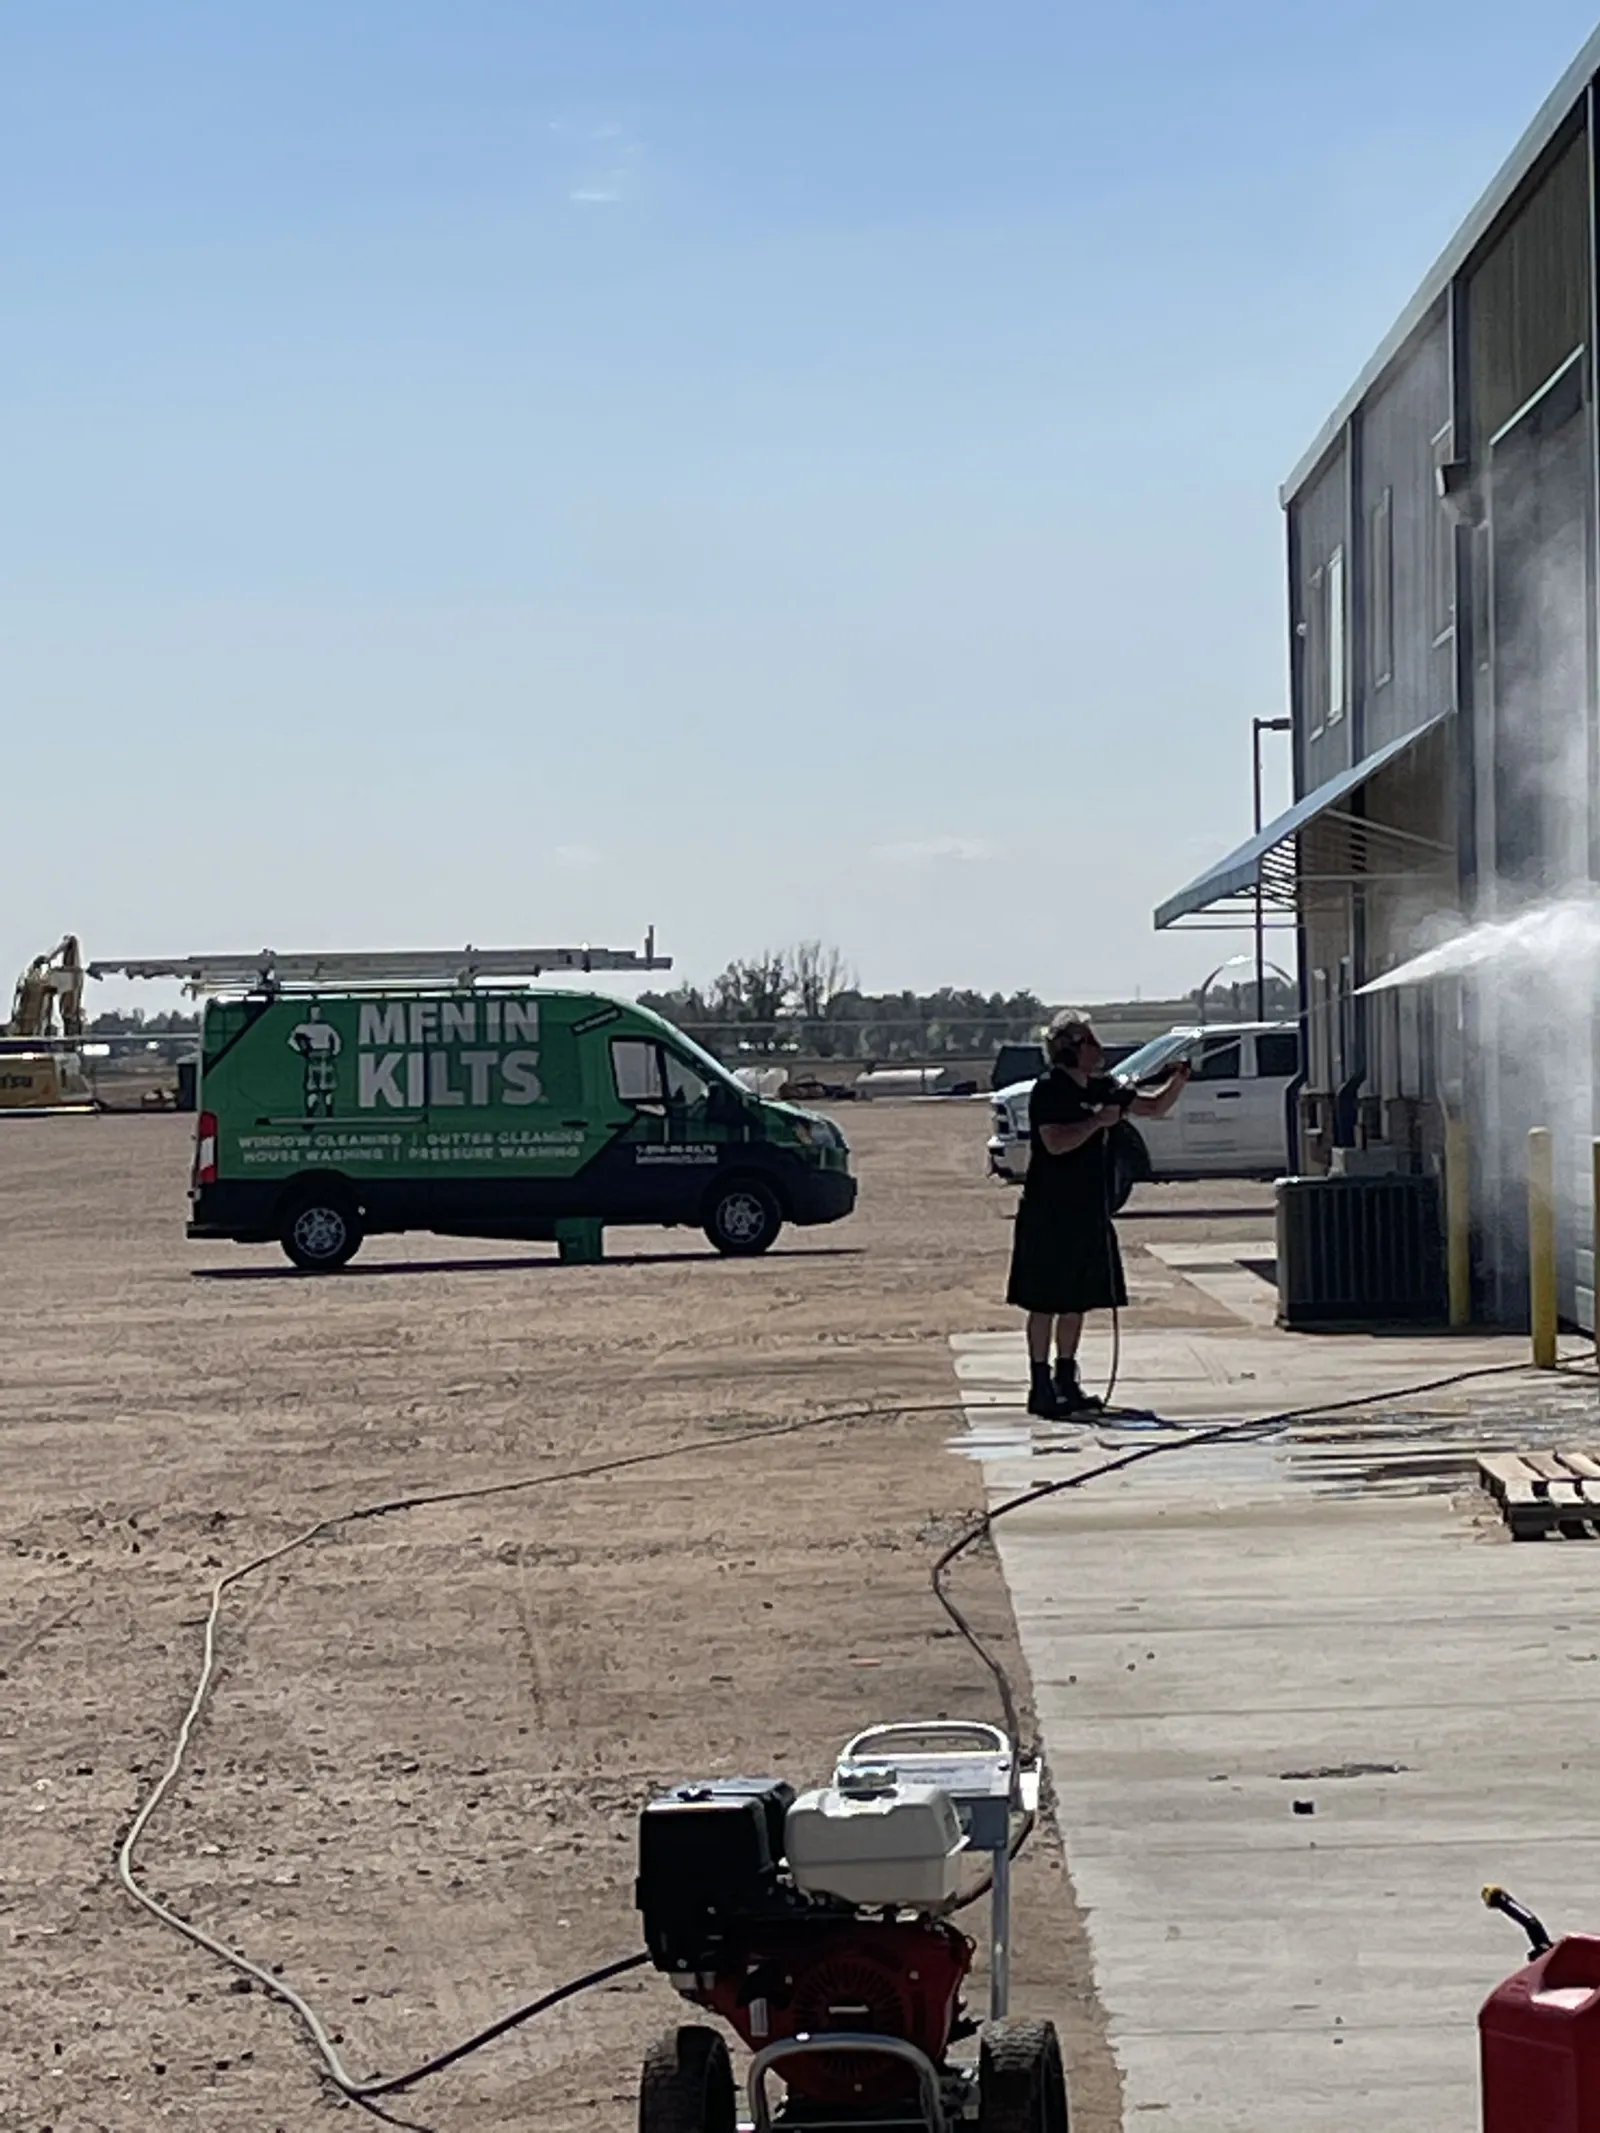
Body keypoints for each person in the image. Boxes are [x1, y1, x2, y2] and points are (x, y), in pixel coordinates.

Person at [1006, 1012, 1190, 1419]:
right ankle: (1039, 1385)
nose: (1098, 1049)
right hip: (1047, 1211)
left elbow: (1153, 1106)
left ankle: (1066, 1380)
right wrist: (1097, 1121)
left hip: (1089, 1208)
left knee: (1077, 1300)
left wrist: (1177, 1079)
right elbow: (1054, 1143)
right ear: (1070, 1049)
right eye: (1089, 1042)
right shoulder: (1049, 1090)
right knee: (1044, 1301)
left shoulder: (1104, 1088)